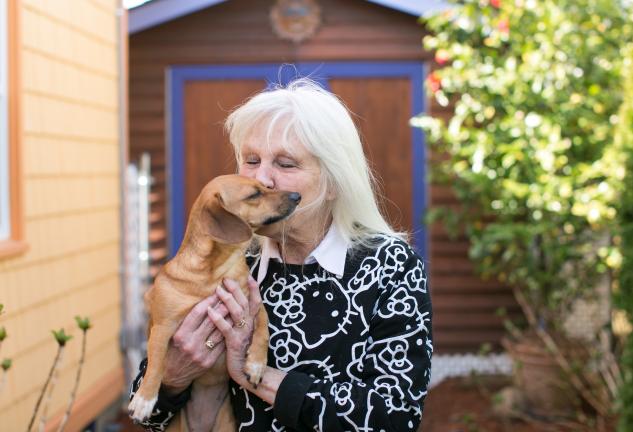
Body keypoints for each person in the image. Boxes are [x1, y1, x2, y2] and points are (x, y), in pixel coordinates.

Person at [131, 78, 433, 431]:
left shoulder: (389, 266)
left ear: (334, 182)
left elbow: (394, 416)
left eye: (286, 164)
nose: (263, 179)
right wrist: (175, 375)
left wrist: (256, 375)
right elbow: (147, 414)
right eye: (251, 160)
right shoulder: (225, 257)